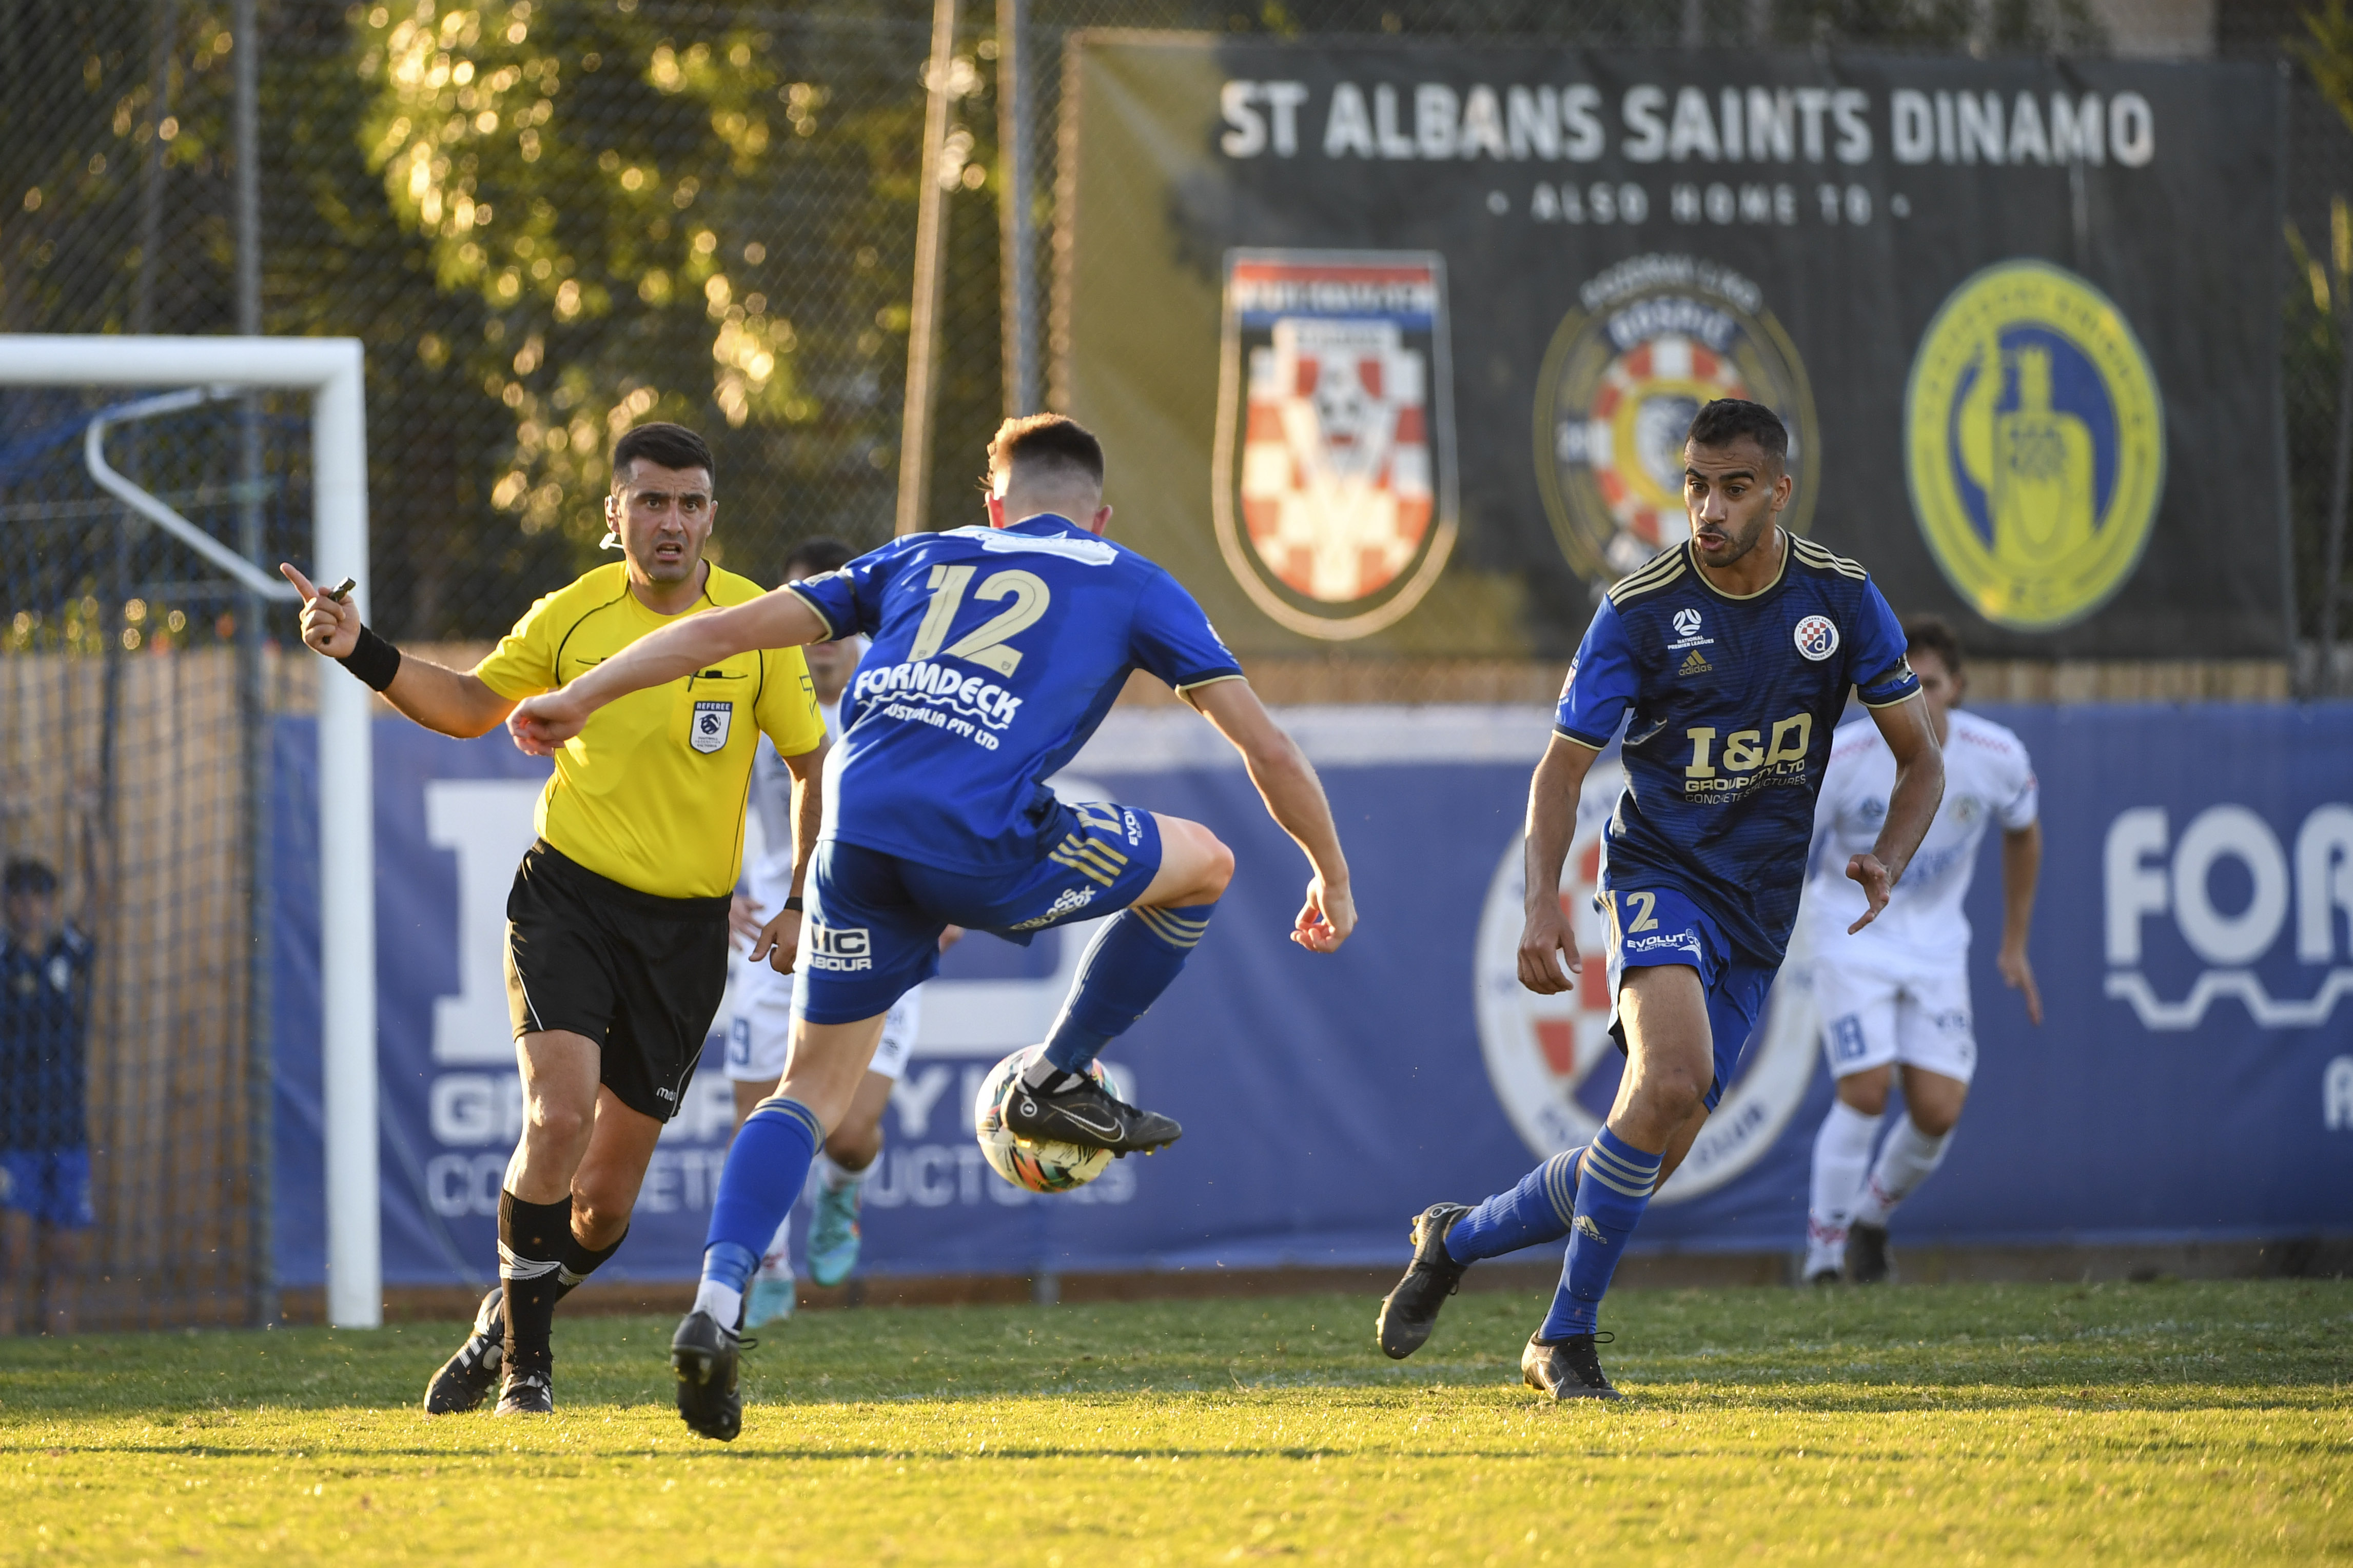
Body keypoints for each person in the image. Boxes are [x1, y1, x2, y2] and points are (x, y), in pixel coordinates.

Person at [507, 412, 1357, 1441]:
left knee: (808, 1091)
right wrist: (1331, 874)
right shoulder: (1128, 575)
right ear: (1100, 515)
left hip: (855, 831)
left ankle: (719, 1299)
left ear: (993, 505)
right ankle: (1057, 1071)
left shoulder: (919, 552)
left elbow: (721, 629)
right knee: (1205, 864)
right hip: (979, 832)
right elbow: (1260, 742)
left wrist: (580, 694)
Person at [1372, 398, 1944, 1398]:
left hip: (1758, 914)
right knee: (1673, 1078)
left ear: (1778, 490)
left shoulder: (1841, 600)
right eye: (1692, 485)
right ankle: (1562, 1340)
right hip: (1656, 879)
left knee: (1647, 1144)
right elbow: (1559, 772)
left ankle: (1454, 1237)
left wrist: (1889, 856)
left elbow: (1921, 762)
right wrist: (1542, 901)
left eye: (1731, 488)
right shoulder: (1639, 609)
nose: (1707, 509)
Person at [278, 422, 827, 1415]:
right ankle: (529, 1373)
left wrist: (797, 901)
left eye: (691, 503)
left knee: (607, 1202)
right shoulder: (573, 614)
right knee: (558, 1114)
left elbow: (808, 765)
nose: (672, 522)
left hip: (688, 934)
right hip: (568, 898)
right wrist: (360, 649)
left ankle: (502, 1322)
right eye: (651, 501)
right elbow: (468, 705)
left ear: (712, 516)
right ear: (614, 515)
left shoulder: (756, 622)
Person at [722, 535, 959, 1326]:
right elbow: (701, 796)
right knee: (763, 1112)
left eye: (839, 619)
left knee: (850, 1132)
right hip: (774, 930)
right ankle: (771, 1267)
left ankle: (843, 1189)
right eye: (809, 616)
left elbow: (953, 803)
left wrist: (954, 901)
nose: (824, 635)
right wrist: (717, 891)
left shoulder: (902, 700)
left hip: (881, 929)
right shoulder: (756, 695)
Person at [1801, 617, 2041, 1284]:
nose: (1916, 697)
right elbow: (1793, 850)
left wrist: (2013, 942)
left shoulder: (1997, 756)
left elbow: (2023, 834)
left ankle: (1867, 1221)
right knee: (1866, 1091)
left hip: (1936, 944)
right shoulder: (1844, 761)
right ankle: (1822, 1261)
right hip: (1851, 934)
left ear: (1956, 689)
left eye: (1929, 683)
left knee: (1937, 1109)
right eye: (1900, 683)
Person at [0, 855, 97, 1335]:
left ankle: (64, 1362)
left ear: (51, 903)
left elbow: (98, 891)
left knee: (65, 1256)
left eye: (40, 895)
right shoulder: (3, 962)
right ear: (8, 903)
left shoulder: (66, 955)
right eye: (20, 895)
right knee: (10, 1257)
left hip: (67, 1129)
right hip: (15, 1132)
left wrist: (86, 819)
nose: (30, 905)